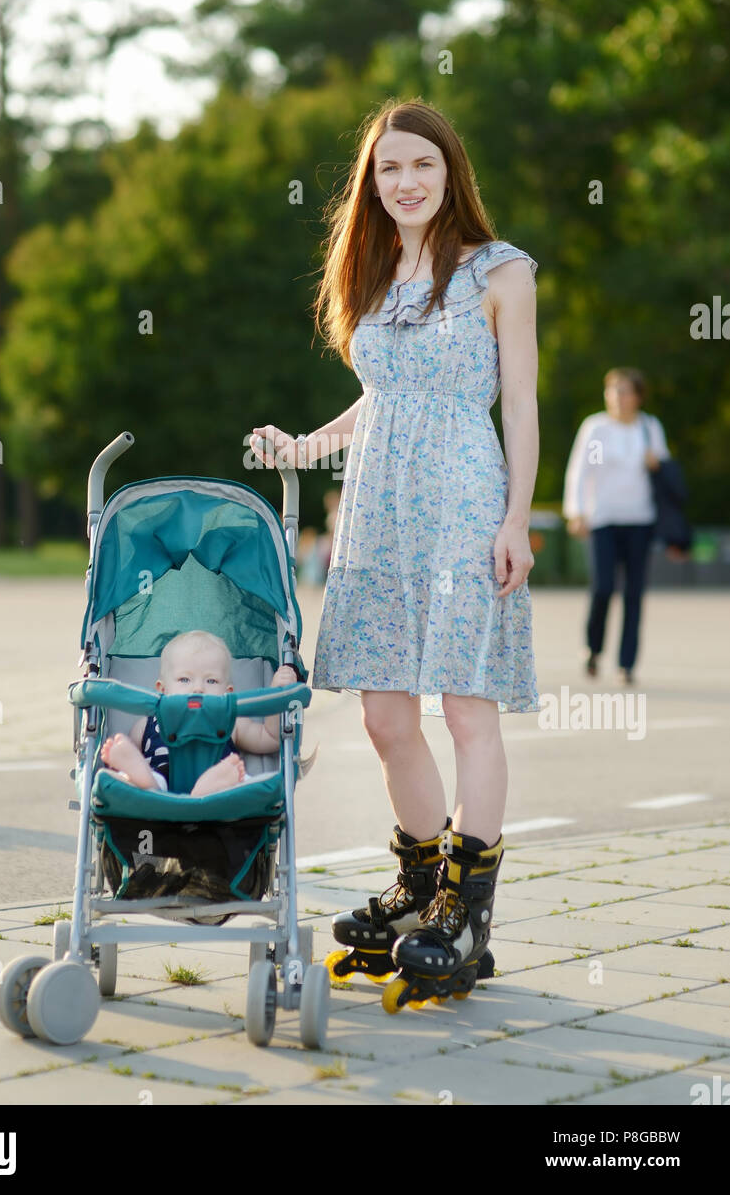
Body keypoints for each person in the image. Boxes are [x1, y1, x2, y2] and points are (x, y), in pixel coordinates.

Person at [249, 98, 540, 1005]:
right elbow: (381, 397)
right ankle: (418, 889)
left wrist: (515, 519)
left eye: (421, 165)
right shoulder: (372, 270)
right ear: (370, 184)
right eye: (388, 169)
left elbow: (521, 405)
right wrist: (305, 447)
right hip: (374, 509)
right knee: (383, 718)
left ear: (451, 172)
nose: (405, 182)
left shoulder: (500, 271)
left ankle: (464, 912)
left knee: (464, 712)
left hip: (462, 503)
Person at [562, 367, 671, 685]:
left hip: (640, 520)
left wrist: (657, 464)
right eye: (612, 390)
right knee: (604, 587)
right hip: (603, 520)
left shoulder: (649, 428)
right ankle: (593, 649)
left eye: (624, 391)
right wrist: (577, 511)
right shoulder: (597, 428)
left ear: (637, 396)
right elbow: (580, 471)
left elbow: (664, 474)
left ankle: (627, 664)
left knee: (634, 593)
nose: (617, 397)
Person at [99, 629, 297, 797]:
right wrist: (125, 760)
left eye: (211, 681)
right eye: (185, 679)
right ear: (162, 689)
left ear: (228, 693)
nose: (198, 689)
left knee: (244, 781)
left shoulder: (230, 720)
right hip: (161, 783)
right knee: (138, 777)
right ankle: (142, 776)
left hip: (217, 776)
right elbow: (136, 751)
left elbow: (270, 738)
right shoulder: (149, 722)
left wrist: (276, 692)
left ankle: (211, 784)